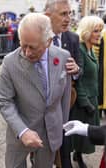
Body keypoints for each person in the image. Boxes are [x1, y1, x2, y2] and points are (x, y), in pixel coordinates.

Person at [0, 12, 71, 168]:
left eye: (33, 47)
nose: (27, 52)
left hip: (51, 133)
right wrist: (22, 131)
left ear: (49, 41)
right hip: (20, 133)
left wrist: (61, 126)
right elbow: (4, 100)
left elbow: (65, 96)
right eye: (23, 45)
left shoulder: (63, 57)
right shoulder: (10, 62)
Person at [44, 0, 81, 167]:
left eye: (69, 13)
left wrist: (76, 70)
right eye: (63, 14)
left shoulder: (73, 38)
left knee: (64, 148)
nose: (68, 18)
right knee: (42, 151)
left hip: (65, 103)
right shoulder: (37, 35)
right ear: (48, 16)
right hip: (42, 106)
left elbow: (81, 70)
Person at [69, 15, 104, 168]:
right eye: (96, 31)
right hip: (84, 101)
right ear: (87, 32)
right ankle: (76, 155)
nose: (100, 35)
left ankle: (78, 154)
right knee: (80, 134)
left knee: (87, 133)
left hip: (93, 98)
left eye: (100, 31)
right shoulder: (81, 50)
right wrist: (86, 103)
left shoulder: (91, 50)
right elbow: (78, 80)